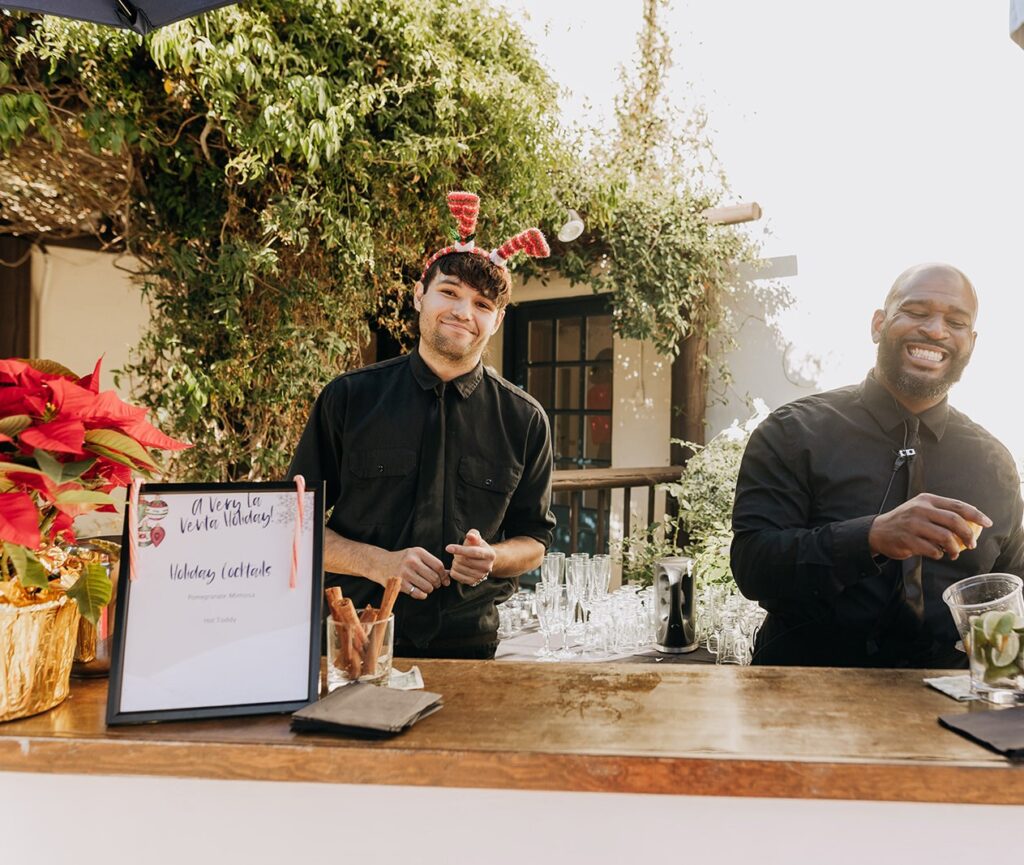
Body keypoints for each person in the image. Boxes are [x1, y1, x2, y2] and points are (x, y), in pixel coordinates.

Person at [288, 192, 555, 659]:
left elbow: (534, 541)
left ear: (497, 320)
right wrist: (381, 563)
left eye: (482, 304)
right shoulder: (348, 398)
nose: (463, 313)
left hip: (470, 644)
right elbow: (292, 523)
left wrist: (493, 559)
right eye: (449, 292)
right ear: (419, 295)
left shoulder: (525, 420)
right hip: (352, 636)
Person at [731, 263, 1024, 667]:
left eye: (955, 321)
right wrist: (870, 537)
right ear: (878, 325)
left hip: (942, 704)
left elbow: (1009, 590)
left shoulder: (993, 463)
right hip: (801, 696)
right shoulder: (793, 432)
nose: (936, 330)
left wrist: (1002, 688)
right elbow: (753, 565)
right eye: (917, 312)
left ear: (969, 343)